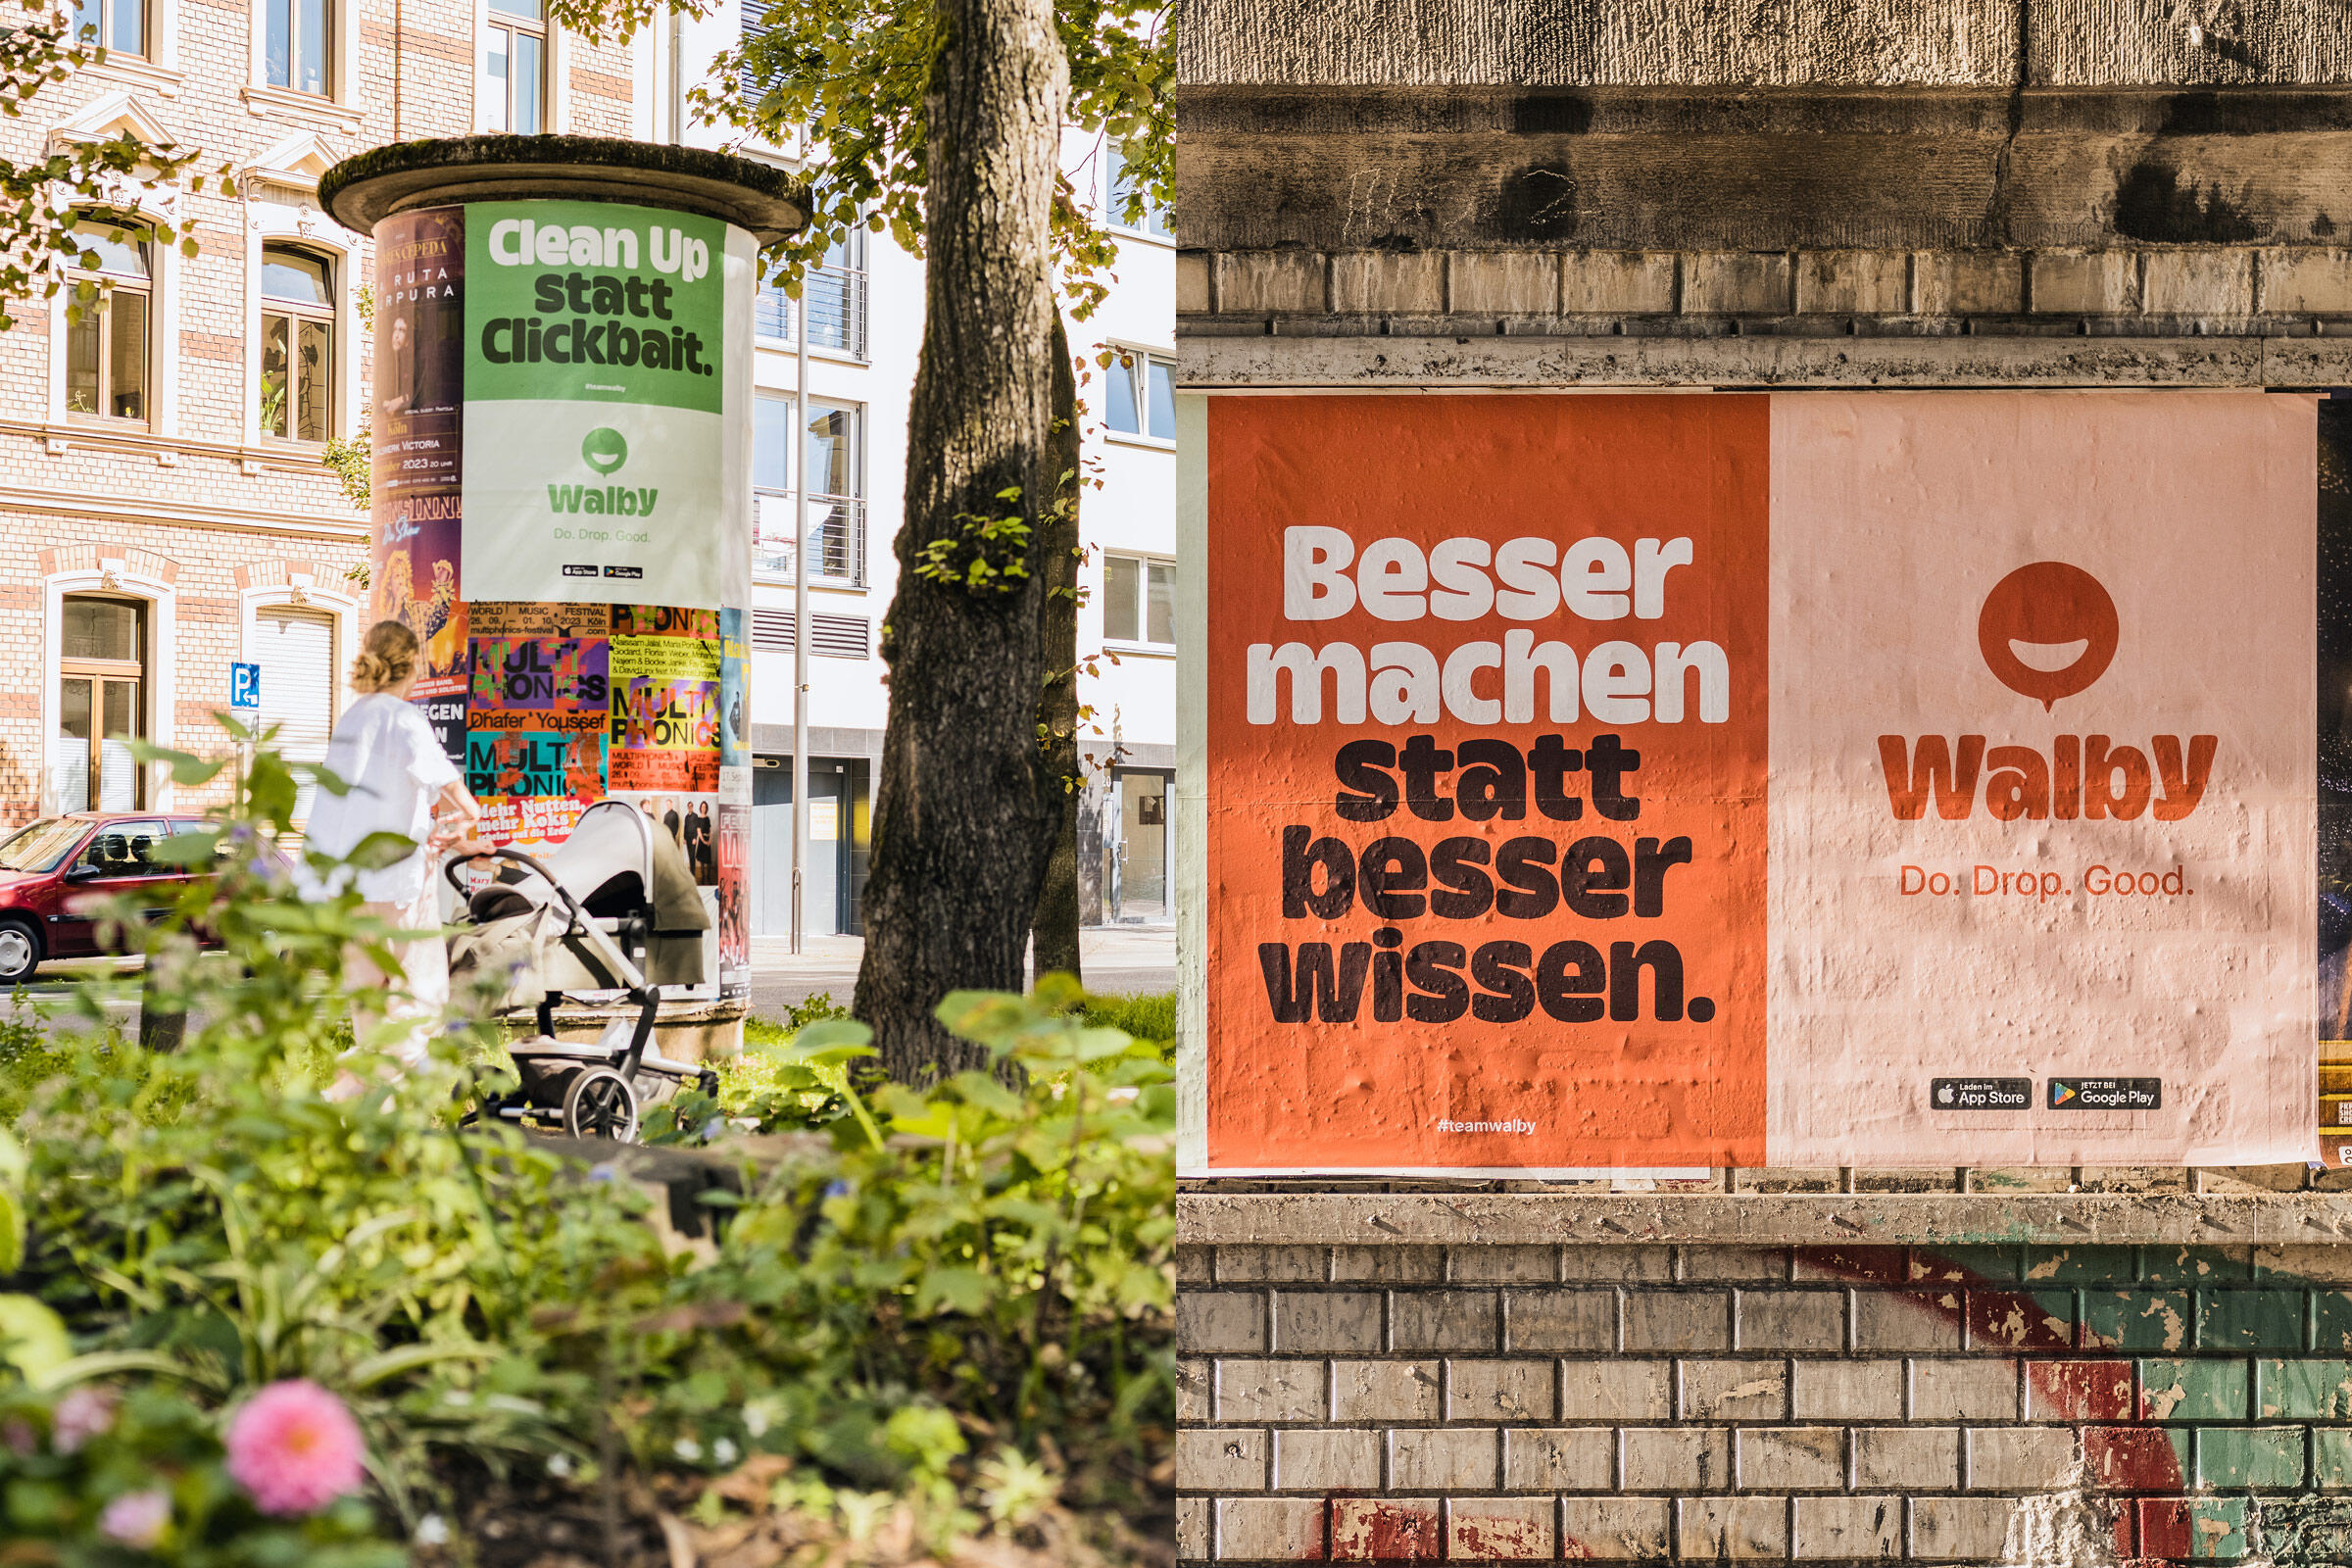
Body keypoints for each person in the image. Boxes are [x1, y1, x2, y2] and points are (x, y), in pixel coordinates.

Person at [301, 619, 485, 1091]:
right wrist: (473, 832)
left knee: (367, 1000)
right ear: (414, 666)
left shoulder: (352, 718)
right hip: (397, 886)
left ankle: (353, 1108)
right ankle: (386, 1107)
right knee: (418, 998)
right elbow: (452, 791)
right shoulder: (404, 718)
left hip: (344, 889)